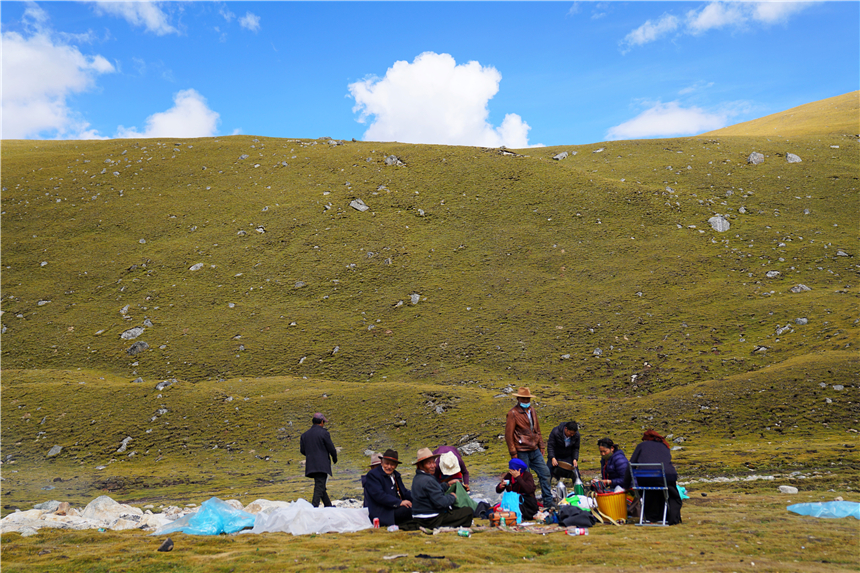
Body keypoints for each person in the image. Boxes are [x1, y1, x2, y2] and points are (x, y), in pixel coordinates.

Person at [504, 387, 553, 508]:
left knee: (545, 473)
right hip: (521, 450)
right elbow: (508, 434)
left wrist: (541, 444)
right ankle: (528, 503)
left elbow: (537, 429)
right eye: (523, 398)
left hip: (534, 449)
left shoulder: (532, 410)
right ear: (518, 398)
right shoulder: (513, 413)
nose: (526, 401)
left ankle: (548, 501)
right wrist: (513, 452)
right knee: (525, 477)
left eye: (527, 398)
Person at [410, 448, 473, 529]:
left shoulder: (418, 478)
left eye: (433, 462)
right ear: (420, 465)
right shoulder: (428, 480)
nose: (433, 466)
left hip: (419, 517)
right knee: (468, 511)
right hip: (430, 519)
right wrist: (452, 496)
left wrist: (447, 485)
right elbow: (441, 503)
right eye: (429, 463)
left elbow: (434, 491)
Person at [630, 430, 682, 525]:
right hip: (666, 476)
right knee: (670, 494)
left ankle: (651, 517)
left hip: (645, 477)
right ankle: (672, 518)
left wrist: (626, 484)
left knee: (650, 491)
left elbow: (631, 465)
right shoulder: (664, 446)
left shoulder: (641, 446)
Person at [363, 449, 415, 527]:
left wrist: (418, 499)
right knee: (406, 510)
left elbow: (403, 492)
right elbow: (380, 495)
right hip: (382, 512)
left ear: (396, 466)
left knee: (415, 507)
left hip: (394, 508)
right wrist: (399, 502)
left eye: (392, 464)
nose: (389, 467)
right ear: (382, 462)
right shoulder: (373, 475)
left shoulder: (396, 475)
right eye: (387, 463)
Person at [299, 412, 338, 507]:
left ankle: (328, 506)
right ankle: (314, 507)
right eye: (323, 422)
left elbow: (302, 450)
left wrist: (311, 455)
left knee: (321, 486)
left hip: (311, 465)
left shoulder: (304, 435)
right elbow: (331, 448)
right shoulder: (324, 433)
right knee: (319, 486)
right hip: (322, 464)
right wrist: (334, 457)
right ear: (321, 422)